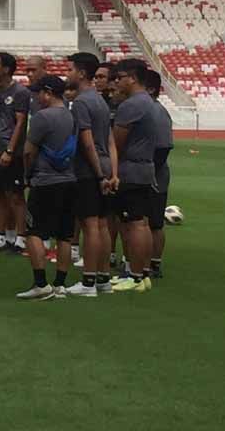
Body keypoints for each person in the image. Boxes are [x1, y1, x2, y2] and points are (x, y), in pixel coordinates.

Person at [16, 75, 78, 301]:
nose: (36, 97)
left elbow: (28, 151)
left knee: (33, 231)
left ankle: (41, 282)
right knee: (64, 234)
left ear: (48, 92)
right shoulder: (72, 115)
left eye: (38, 92)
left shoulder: (42, 117)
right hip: (69, 179)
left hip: (45, 180)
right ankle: (60, 284)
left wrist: (27, 174)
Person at [63, 53, 118, 298]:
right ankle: (103, 278)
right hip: (106, 164)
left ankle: (88, 282)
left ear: (81, 74)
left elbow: (87, 143)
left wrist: (98, 175)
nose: (68, 75)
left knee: (90, 224)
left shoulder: (82, 103)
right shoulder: (101, 102)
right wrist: (112, 172)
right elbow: (109, 140)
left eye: (71, 70)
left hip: (89, 170)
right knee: (103, 224)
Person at [108, 58, 157, 293]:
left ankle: (135, 275)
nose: (117, 82)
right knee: (142, 223)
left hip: (130, 169)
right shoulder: (148, 102)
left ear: (133, 78)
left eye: (120, 78)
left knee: (133, 224)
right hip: (145, 168)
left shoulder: (131, 105)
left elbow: (115, 142)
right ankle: (142, 273)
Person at [0, 52, 30, 253]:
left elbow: (20, 122)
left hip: (11, 151)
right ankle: (1, 235)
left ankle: (21, 237)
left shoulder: (20, 92)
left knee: (15, 195)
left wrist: (10, 150)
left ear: (6, 69)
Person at [146, 69, 173, 279]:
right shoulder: (147, 110)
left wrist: (150, 174)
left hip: (154, 177)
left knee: (154, 222)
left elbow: (163, 148)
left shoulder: (157, 112)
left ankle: (153, 264)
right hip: (150, 174)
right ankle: (147, 263)